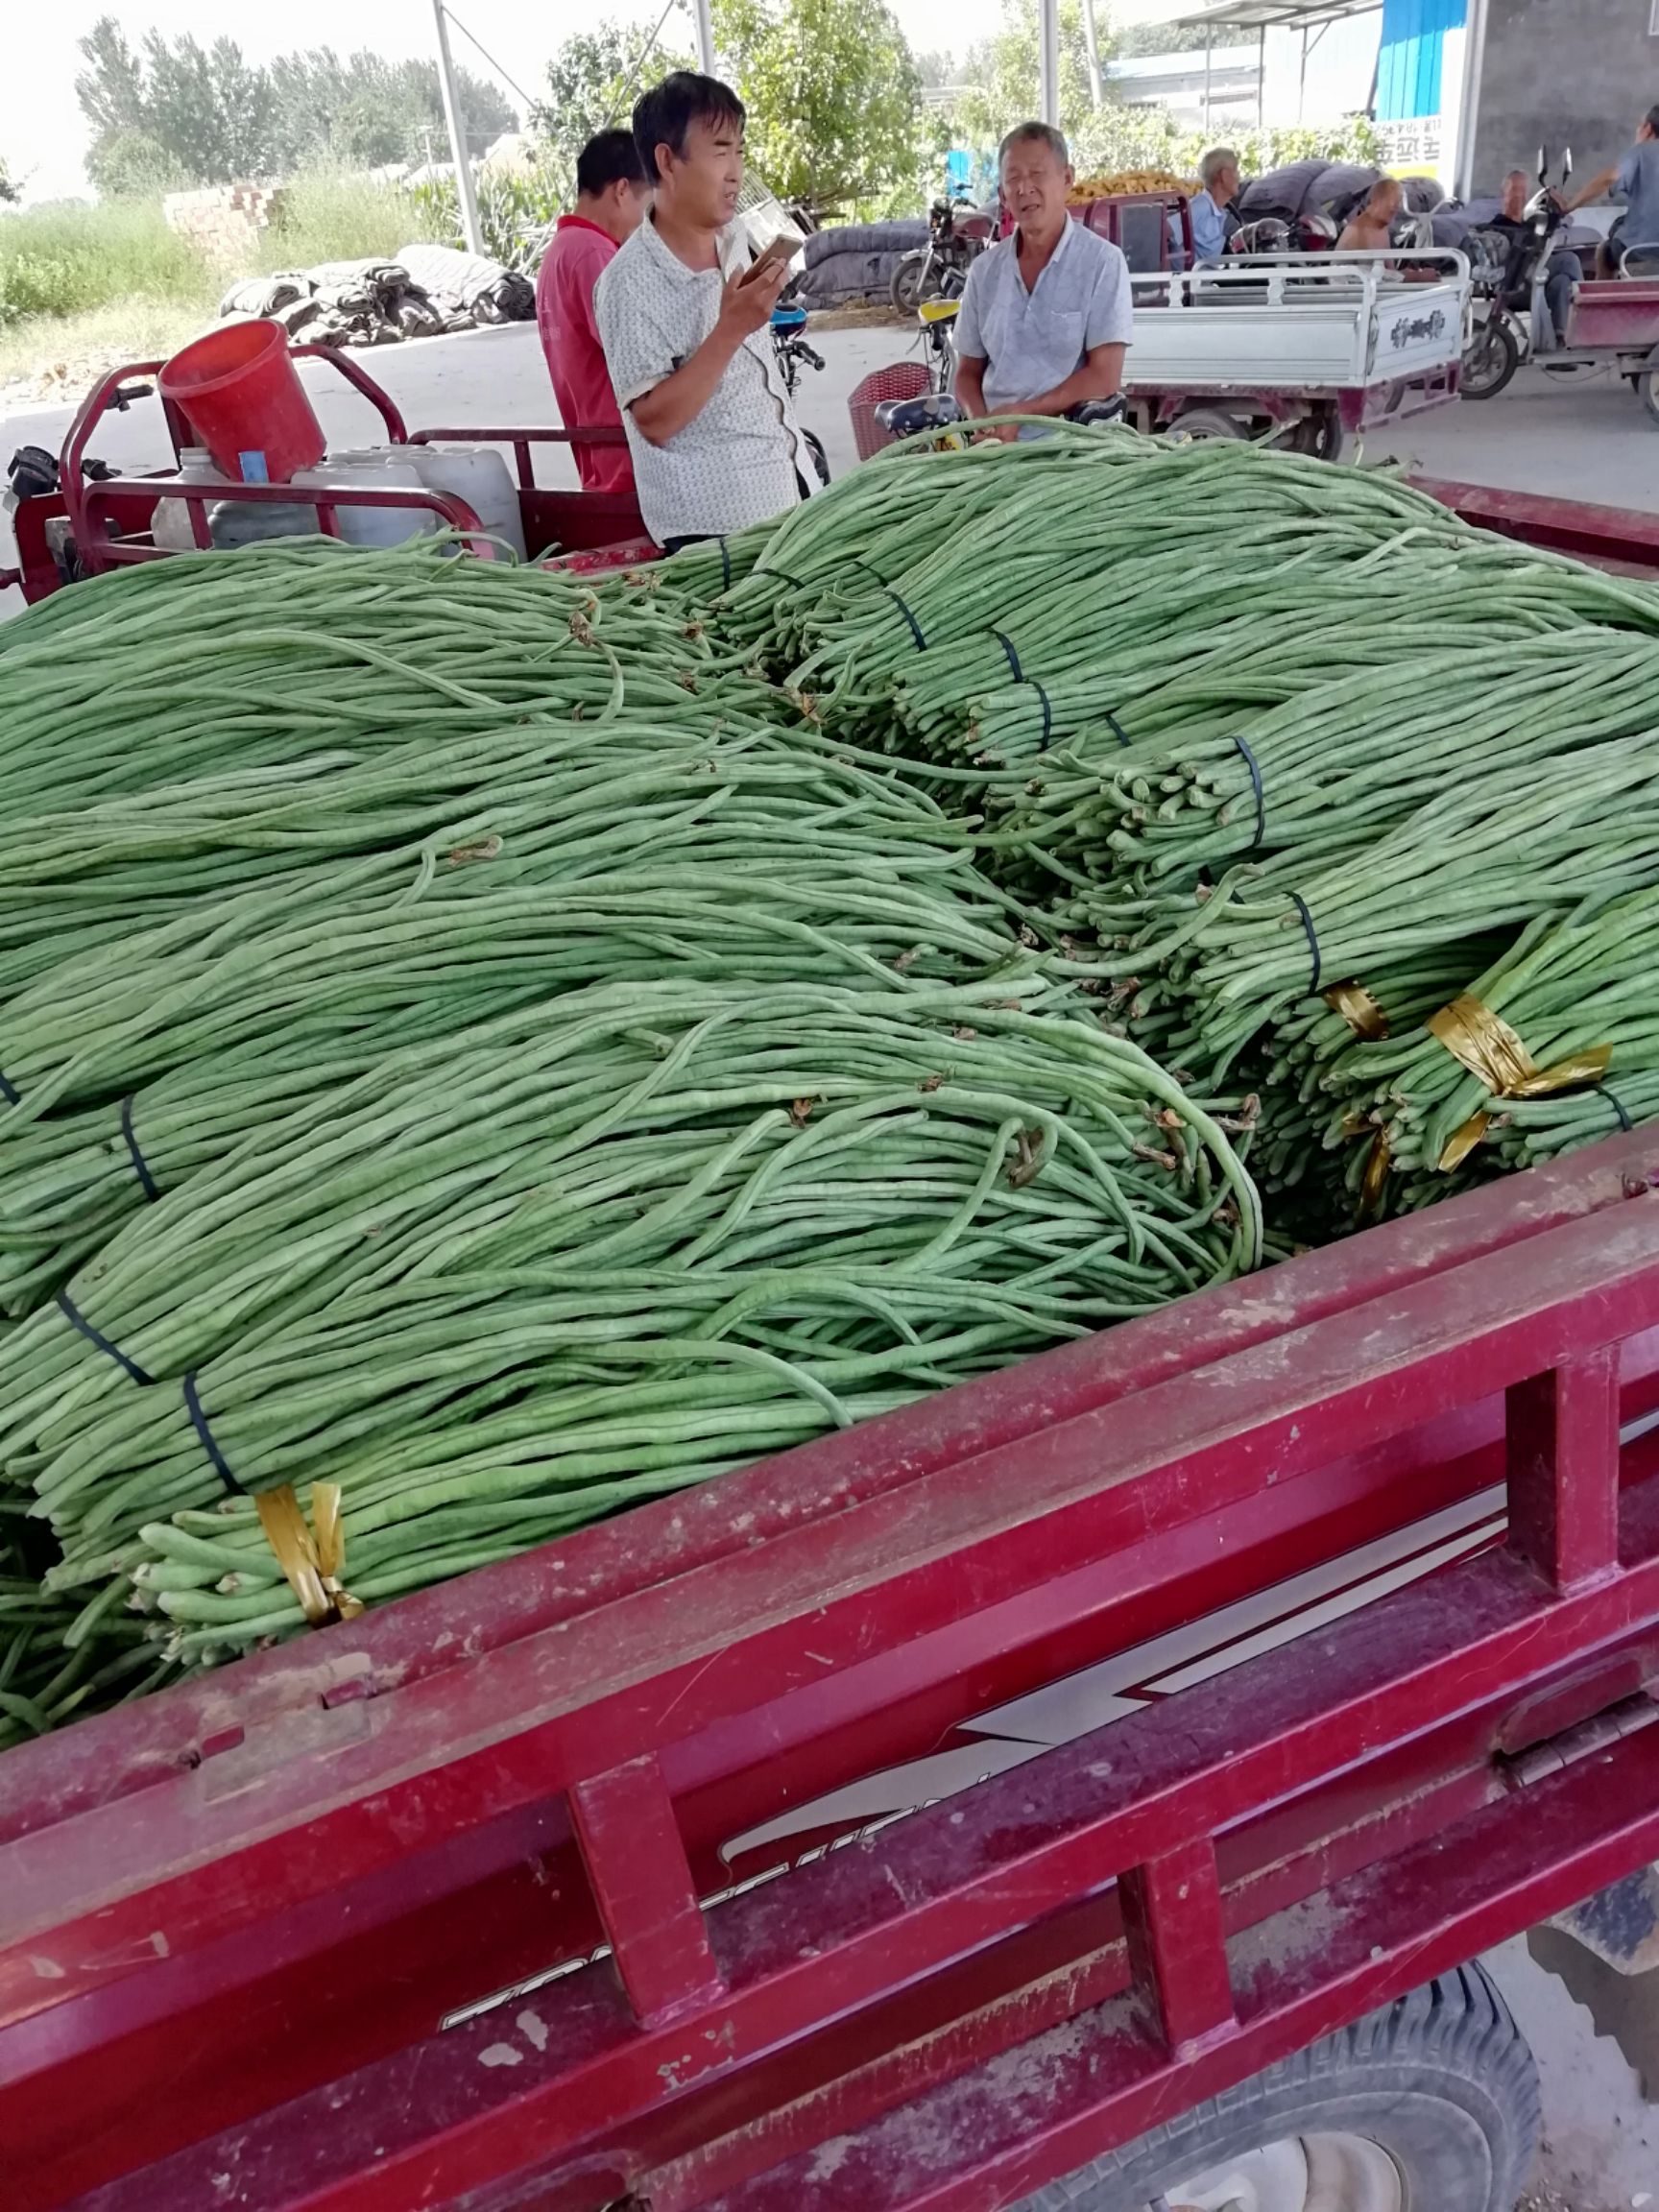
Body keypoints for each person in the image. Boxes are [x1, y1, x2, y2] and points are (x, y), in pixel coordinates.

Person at [594, 71, 815, 551]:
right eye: (720, 151)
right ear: (667, 161)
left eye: (739, 149)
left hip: (787, 490)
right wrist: (730, 329)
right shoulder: (627, 282)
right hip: (714, 535)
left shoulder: (735, 238)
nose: (735, 169)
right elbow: (654, 422)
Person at [952, 122, 1132, 438]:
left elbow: (1105, 377)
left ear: (1067, 179)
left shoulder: (1103, 262)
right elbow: (967, 372)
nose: (1024, 188)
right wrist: (982, 425)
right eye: (1013, 179)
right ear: (1002, 196)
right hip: (993, 448)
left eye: (1036, 174)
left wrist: (1020, 414)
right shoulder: (983, 271)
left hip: (1071, 450)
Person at [535, 129, 652, 495]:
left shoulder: (559, 252)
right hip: (627, 461)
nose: (643, 221)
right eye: (645, 205)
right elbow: (640, 351)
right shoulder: (595, 255)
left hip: (596, 455)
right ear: (621, 191)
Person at [1558, 105, 1659, 277]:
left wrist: (1569, 205)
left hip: (1639, 251)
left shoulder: (1641, 152)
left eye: (1639, 125)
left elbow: (1609, 178)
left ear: (1647, 128)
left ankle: (1603, 301)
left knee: (1604, 251)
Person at [1491, 167, 1580, 350]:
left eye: (1524, 192)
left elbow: (1559, 218)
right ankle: (1586, 319)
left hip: (1536, 281)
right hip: (1516, 284)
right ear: (1503, 194)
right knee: (1568, 260)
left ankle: (1560, 340)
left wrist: (1555, 201)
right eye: (1514, 191)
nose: (1519, 196)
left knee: (1562, 282)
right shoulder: (1498, 226)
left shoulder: (1532, 222)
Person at [1190, 147, 1241, 267]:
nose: (1239, 177)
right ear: (1224, 175)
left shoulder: (1222, 213)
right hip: (1193, 283)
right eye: (1236, 170)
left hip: (1208, 281)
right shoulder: (1199, 207)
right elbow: (1165, 233)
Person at [1336, 177, 1402, 254]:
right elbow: (1371, 266)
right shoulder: (1359, 230)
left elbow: (1388, 265)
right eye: (1394, 203)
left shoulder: (1381, 227)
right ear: (1376, 200)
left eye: (1399, 201)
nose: (1398, 207)